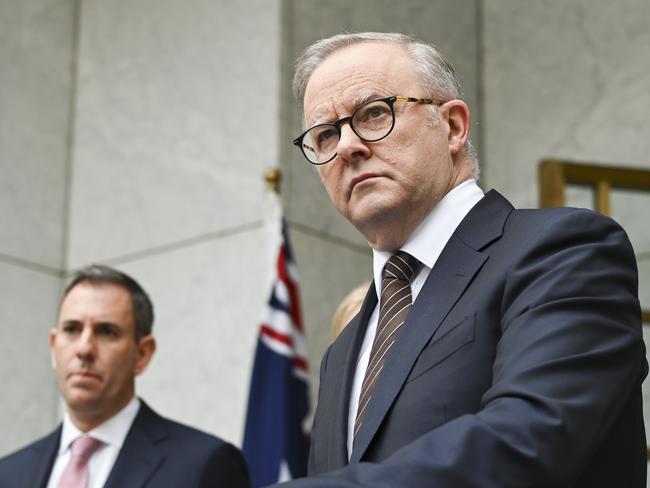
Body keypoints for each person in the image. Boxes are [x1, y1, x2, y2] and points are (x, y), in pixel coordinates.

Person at [271, 32, 647, 487]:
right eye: (326, 134)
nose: (348, 146)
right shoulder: (343, 351)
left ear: (452, 126)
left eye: (374, 113)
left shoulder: (563, 251)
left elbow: (530, 437)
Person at [0, 265, 250, 488]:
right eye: (72, 329)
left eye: (107, 332)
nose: (84, 348)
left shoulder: (203, 465)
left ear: (142, 354)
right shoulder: (8, 474)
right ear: (54, 346)